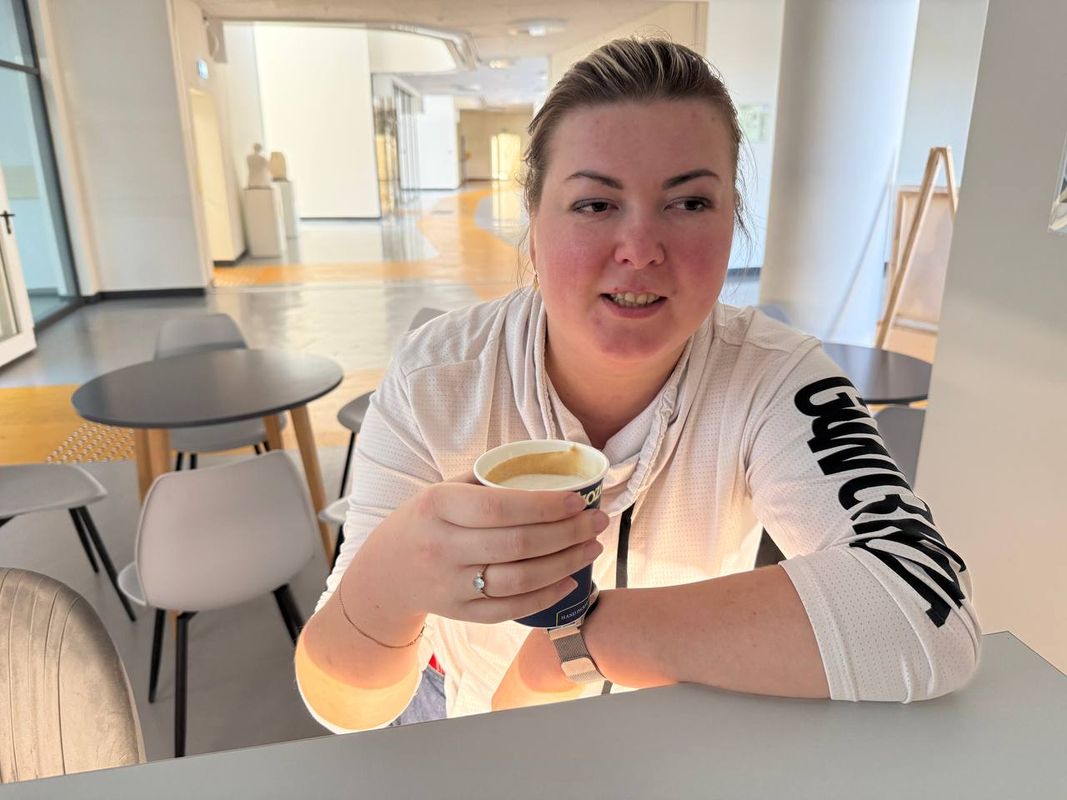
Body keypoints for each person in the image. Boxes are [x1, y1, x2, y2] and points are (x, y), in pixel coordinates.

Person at [294, 38, 981, 733]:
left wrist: (575, 646)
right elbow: (346, 709)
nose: (642, 250)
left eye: (689, 202)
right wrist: (388, 577)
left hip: (673, 737)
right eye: (595, 204)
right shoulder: (436, 378)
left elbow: (928, 613)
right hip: (475, 732)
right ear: (532, 223)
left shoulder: (776, 376)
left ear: (733, 220)